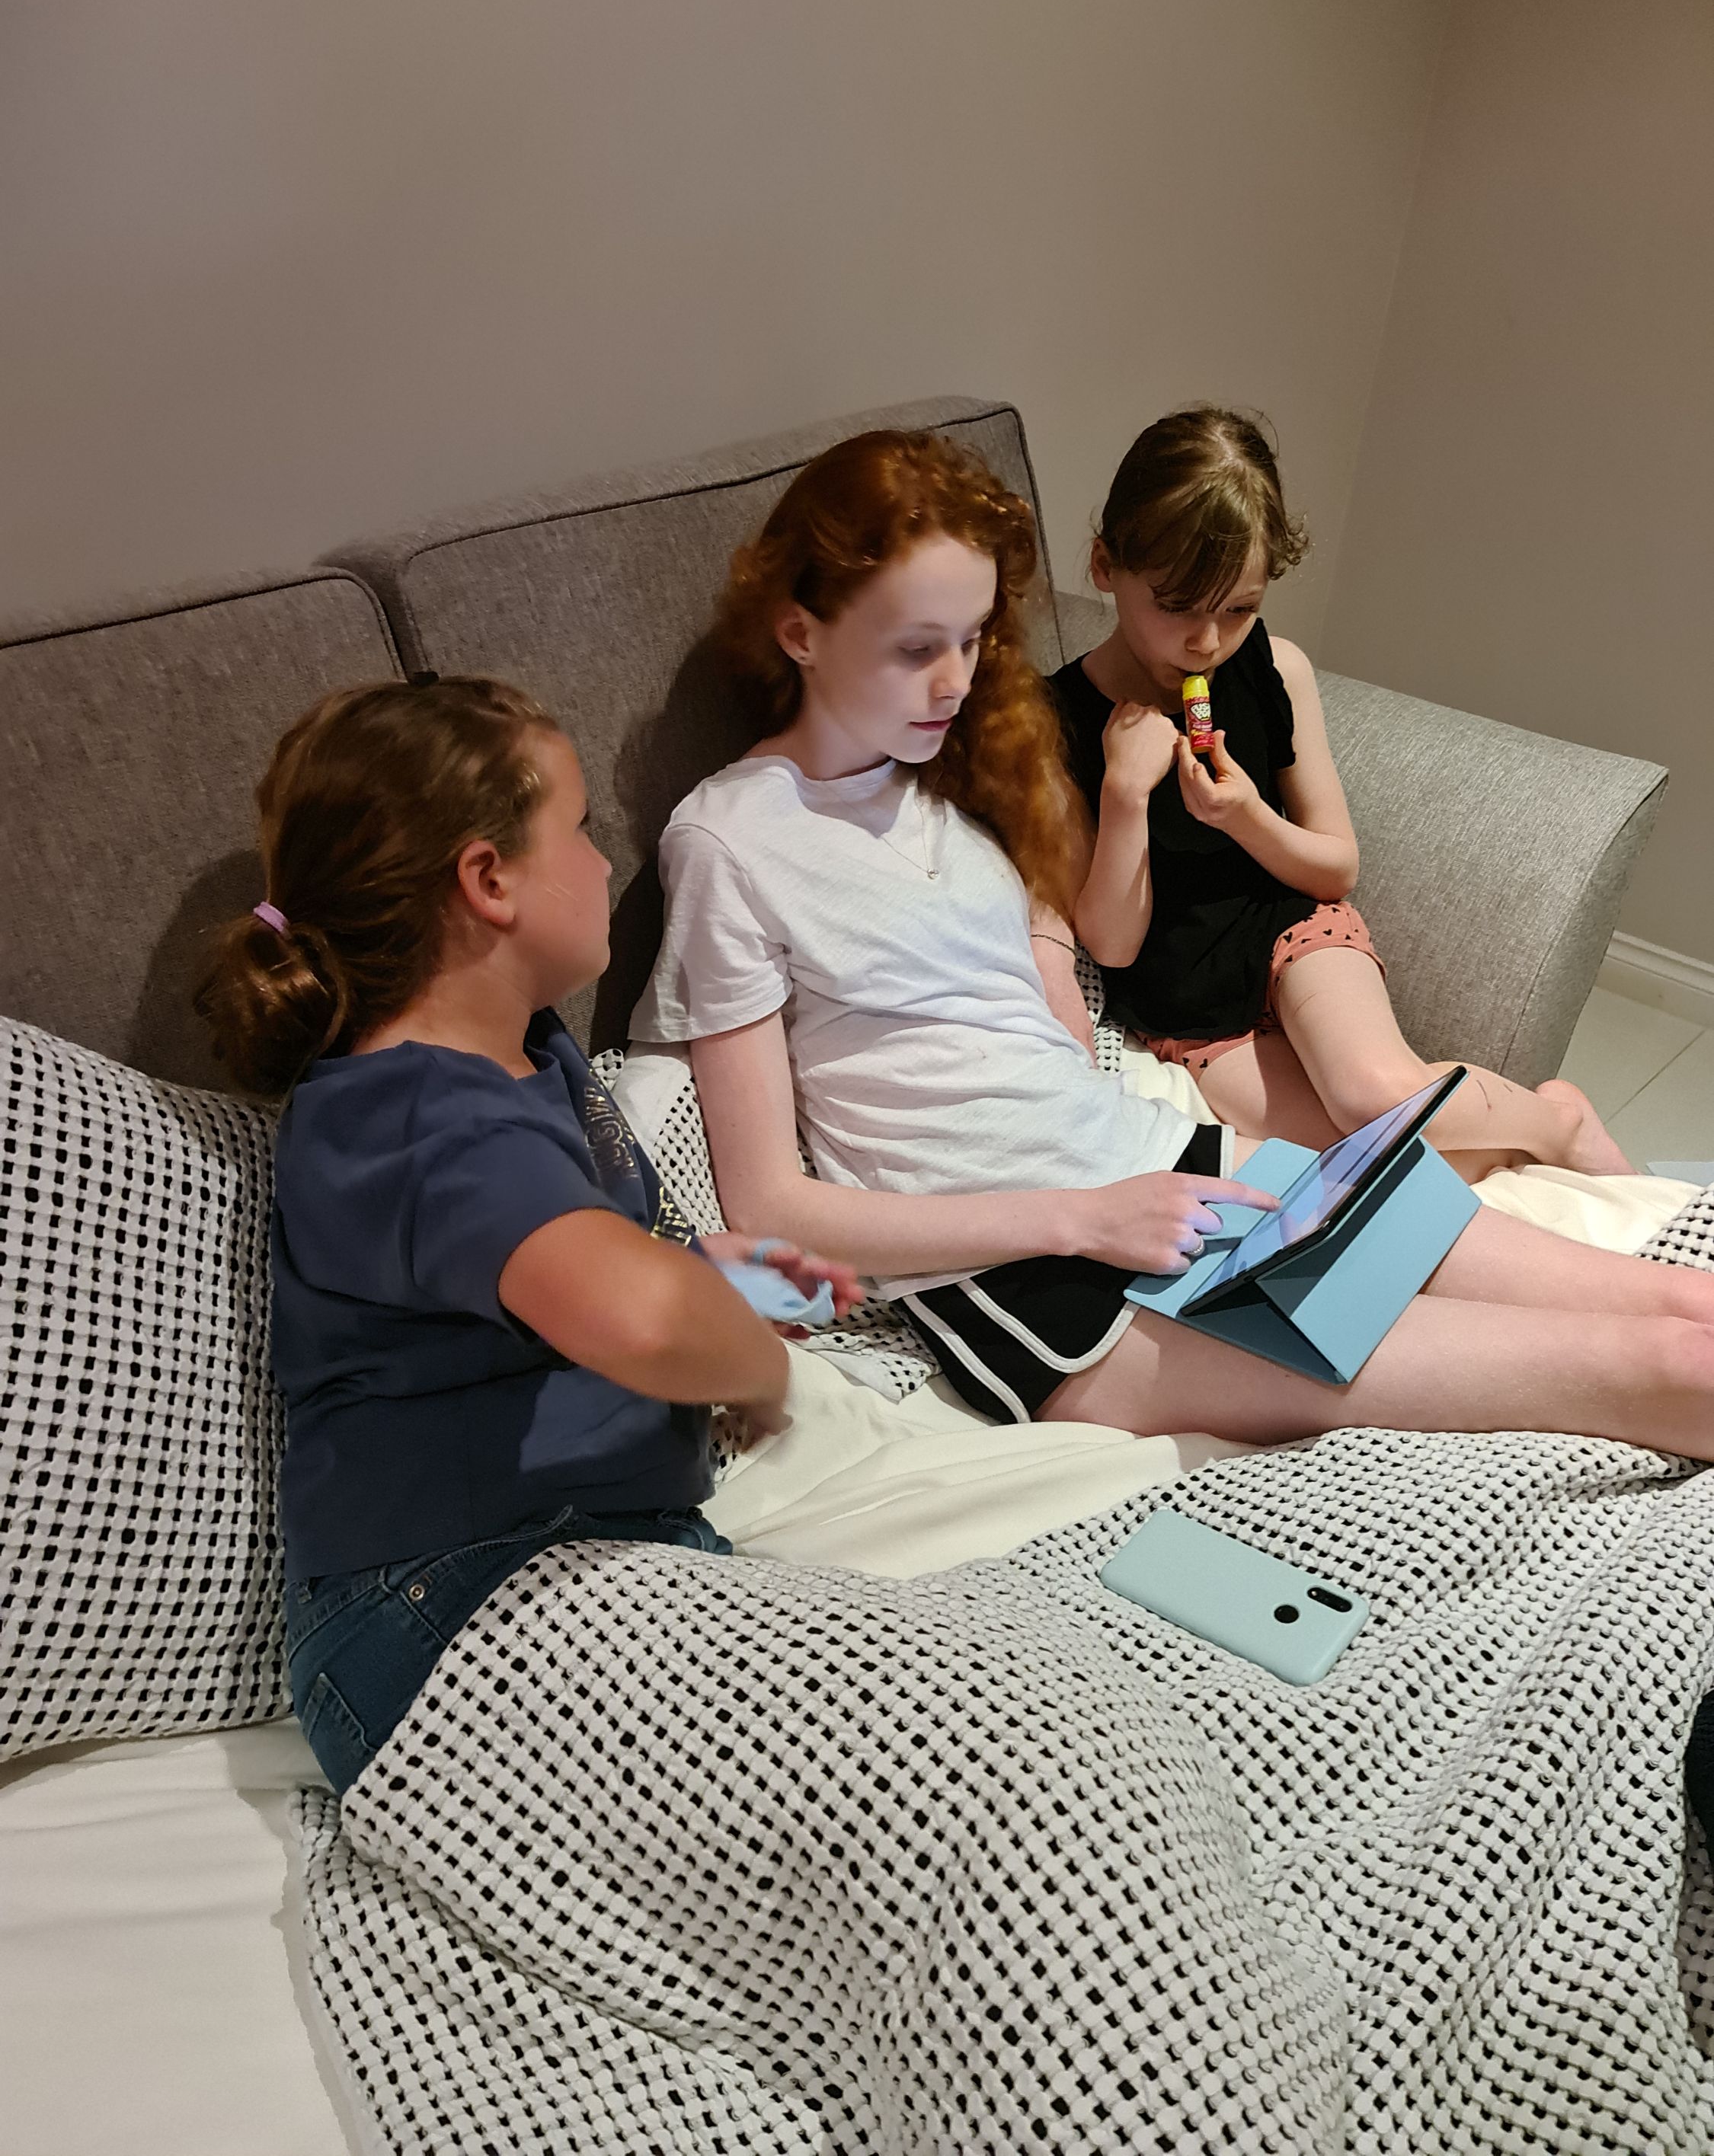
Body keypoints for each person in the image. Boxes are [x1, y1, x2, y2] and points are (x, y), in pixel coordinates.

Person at [632, 428, 1714, 1452]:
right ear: (800, 632)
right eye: (917, 648)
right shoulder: (732, 842)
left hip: (1168, 1165)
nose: (955, 682)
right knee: (1663, 1368)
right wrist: (1082, 1219)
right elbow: (769, 1206)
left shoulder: (963, 774)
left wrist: (1071, 1017)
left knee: (1676, 1306)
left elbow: (1055, 968)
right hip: (1033, 1278)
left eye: (972, 640)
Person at [194, 676, 858, 1793]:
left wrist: (712, 1272)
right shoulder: (412, 1115)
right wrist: (753, 1366)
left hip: (577, 1556)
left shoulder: (531, 1055)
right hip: (442, 1605)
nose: (604, 863)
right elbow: (637, 1320)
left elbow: (557, 1279)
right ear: (488, 880)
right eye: (581, 827)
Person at [1051, 404, 1630, 1182]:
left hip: (1292, 933)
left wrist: (1247, 818)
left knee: (1371, 1098)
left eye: (1239, 608)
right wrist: (1125, 792)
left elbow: (1335, 871)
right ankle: (1521, 1141)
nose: (1206, 641)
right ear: (1104, 566)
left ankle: (1560, 1122)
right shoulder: (1052, 722)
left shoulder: (1275, 670)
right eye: (1177, 605)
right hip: (1184, 1007)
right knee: (1357, 1165)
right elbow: (1113, 947)